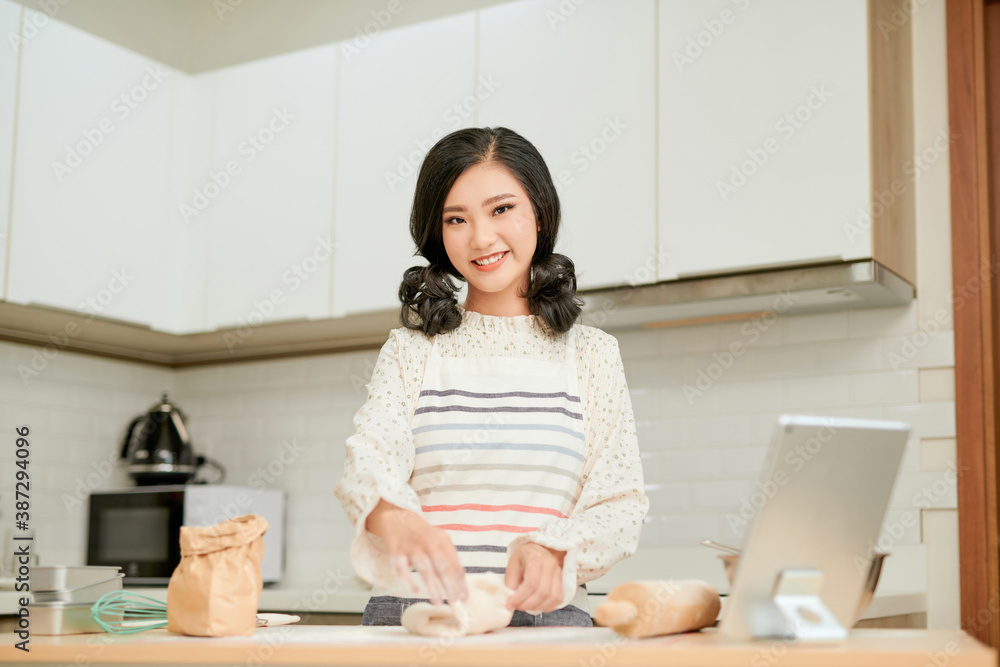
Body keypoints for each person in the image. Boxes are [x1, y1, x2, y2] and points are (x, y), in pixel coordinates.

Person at [333, 126, 648, 628]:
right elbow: (367, 463)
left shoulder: (591, 355)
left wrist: (558, 551)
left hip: (548, 622)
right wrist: (395, 519)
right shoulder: (412, 351)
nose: (481, 238)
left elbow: (620, 503)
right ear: (439, 234)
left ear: (539, 215)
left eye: (501, 209)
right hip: (415, 617)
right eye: (456, 219)